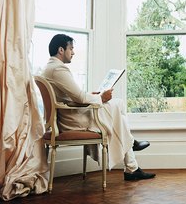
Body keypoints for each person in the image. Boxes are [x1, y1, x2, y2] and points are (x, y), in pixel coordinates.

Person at [41, 33, 156, 181]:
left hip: (67, 115)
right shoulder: (58, 69)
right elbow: (79, 98)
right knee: (118, 105)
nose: (73, 52)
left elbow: (70, 96)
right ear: (61, 50)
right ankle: (131, 152)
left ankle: (132, 163)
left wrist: (91, 95)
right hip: (74, 120)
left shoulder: (49, 68)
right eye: (71, 48)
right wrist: (101, 97)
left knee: (118, 111)